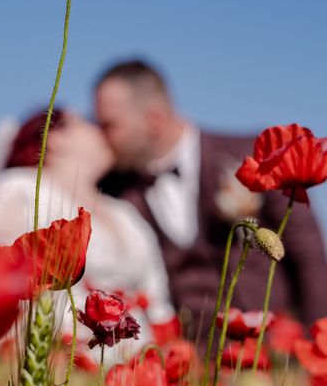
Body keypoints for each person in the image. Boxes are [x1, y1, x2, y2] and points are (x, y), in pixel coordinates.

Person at [94, 59, 327, 335]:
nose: (102, 137)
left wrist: (315, 346)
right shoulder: (113, 189)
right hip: (189, 364)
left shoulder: (253, 155)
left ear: (154, 119)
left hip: (266, 353)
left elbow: (309, 259)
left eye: (110, 125)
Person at [0, 109, 175, 361]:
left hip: (131, 372)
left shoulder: (128, 215)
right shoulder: (20, 191)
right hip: (53, 361)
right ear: (56, 137)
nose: (101, 131)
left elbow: (159, 302)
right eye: (87, 123)